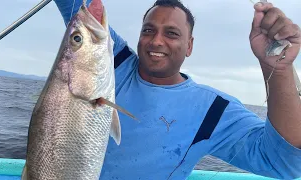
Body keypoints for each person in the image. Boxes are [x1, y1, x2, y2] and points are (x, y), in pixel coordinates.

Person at [54, 0, 301, 179]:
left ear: (189, 46)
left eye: (171, 33)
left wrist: (278, 70)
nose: (156, 40)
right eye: (148, 30)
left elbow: (284, 163)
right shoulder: (110, 60)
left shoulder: (212, 110)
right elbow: (79, 10)